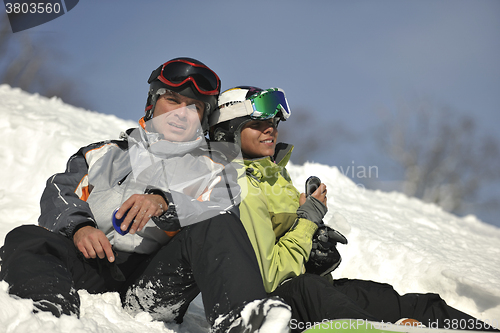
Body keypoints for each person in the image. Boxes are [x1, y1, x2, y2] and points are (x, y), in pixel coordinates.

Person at [0, 60, 291, 333]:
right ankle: (49, 316)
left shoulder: (214, 169)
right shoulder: (104, 154)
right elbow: (59, 191)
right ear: (153, 103)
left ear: (203, 119)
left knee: (218, 223)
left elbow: (220, 206)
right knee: (27, 237)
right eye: (173, 100)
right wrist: (80, 227)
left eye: (194, 107)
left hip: (152, 283)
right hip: (89, 265)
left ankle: (243, 318)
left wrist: (165, 202)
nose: (181, 112)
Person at [209, 86, 499, 332]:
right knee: (313, 290)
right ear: (230, 130)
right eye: (257, 123)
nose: (270, 128)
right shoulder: (239, 188)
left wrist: (315, 247)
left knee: (414, 304)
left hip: (311, 290)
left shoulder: (275, 178)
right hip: (274, 308)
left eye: (273, 121)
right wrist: (307, 222)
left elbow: (288, 250)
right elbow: (269, 278)